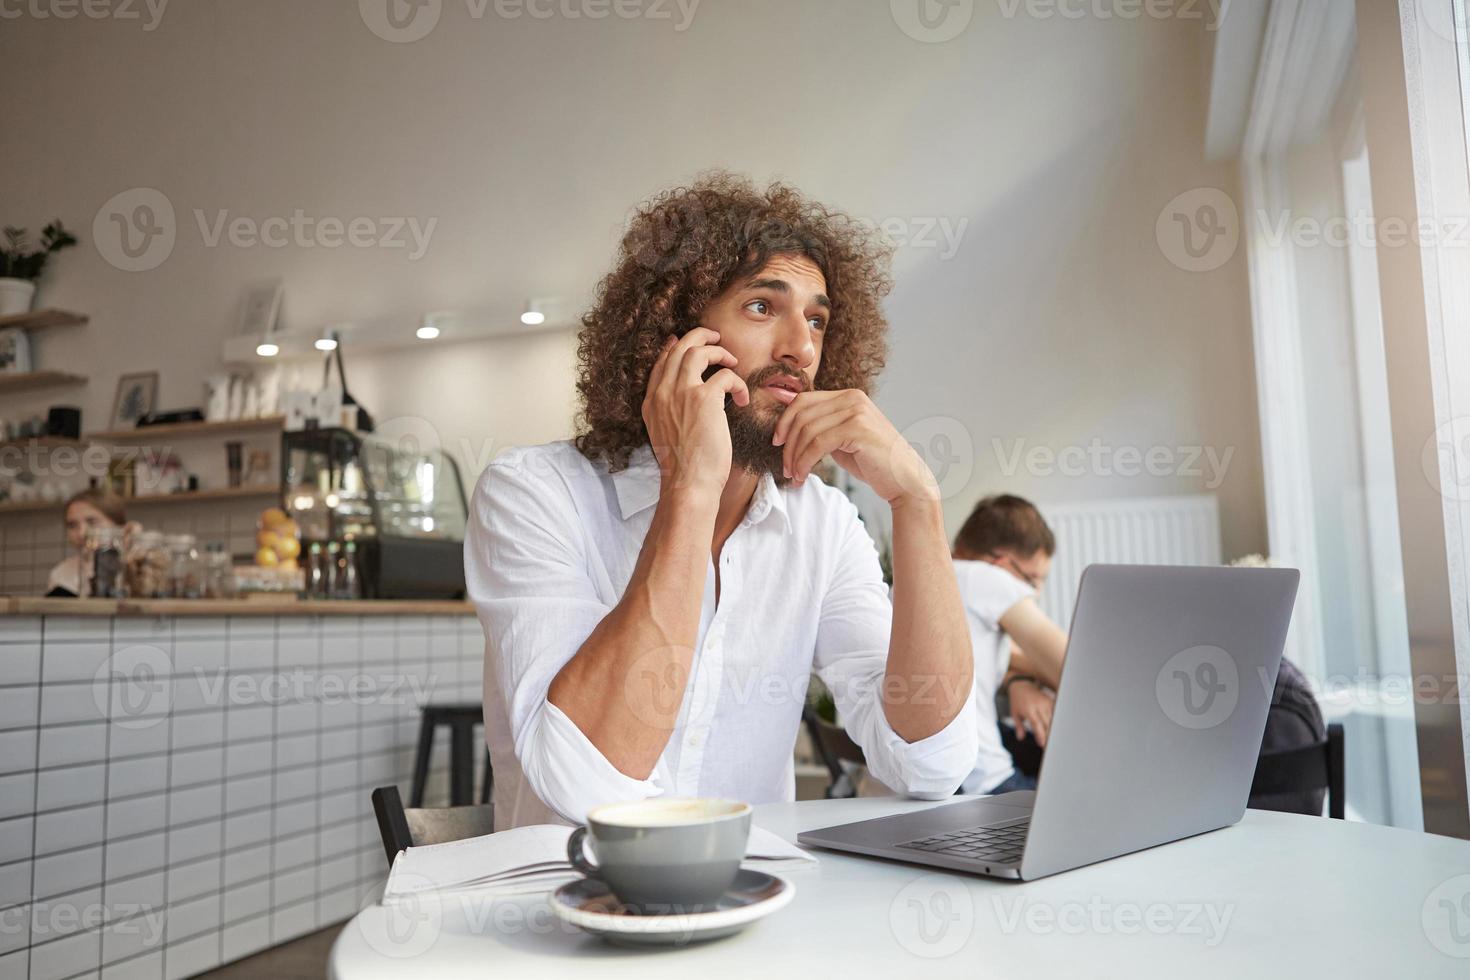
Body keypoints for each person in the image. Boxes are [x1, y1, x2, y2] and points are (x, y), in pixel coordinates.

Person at [466, 173, 979, 829]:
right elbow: (586, 786)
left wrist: (918, 503)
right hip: (565, 910)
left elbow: (932, 765)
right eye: (764, 308)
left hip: (756, 910)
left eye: (817, 320)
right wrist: (691, 485)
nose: (801, 348)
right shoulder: (534, 493)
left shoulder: (822, 524)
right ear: (674, 332)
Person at [950, 494, 1070, 795]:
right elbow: (1076, 669)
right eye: (1031, 579)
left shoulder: (934, 581)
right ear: (999, 563)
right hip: (982, 786)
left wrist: (1017, 681)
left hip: (948, 776)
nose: (1035, 592)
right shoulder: (981, 577)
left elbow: (971, 665)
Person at [47, 487, 132, 597]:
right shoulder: (60, 574)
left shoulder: (135, 569)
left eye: (92, 522)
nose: (81, 533)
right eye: (72, 525)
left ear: (119, 525)